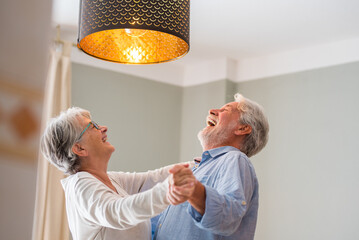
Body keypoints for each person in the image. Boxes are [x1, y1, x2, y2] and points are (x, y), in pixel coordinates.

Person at [40, 107, 196, 240]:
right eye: (92, 126)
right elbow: (118, 211)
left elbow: (151, 179)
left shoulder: (109, 179)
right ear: (79, 149)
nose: (103, 128)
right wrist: (167, 190)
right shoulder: (80, 186)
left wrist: (197, 164)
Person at [154, 93, 269, 240]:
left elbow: (229, 217)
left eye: (225, 110)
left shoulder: (235, 159)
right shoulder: (196, 168)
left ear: (242, 129)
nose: (212, 111)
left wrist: (194, 190)